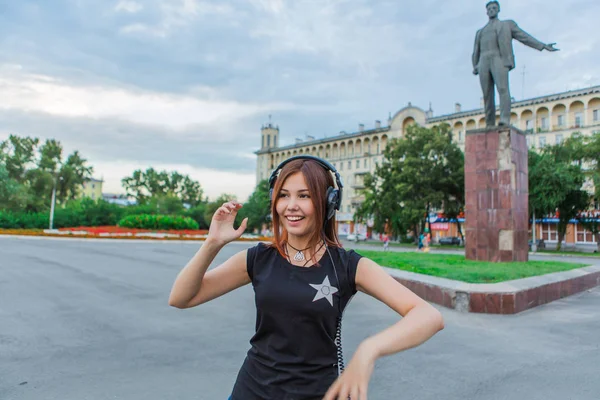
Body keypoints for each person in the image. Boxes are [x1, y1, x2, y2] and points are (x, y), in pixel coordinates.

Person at [169, 155, 445, 400]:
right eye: (283, 195)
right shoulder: (257, 258)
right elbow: (181, 298)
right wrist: (212, 243)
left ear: (328, 202)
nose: (291, 206)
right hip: (251, 391)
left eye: (304, 196)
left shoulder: (348, 265)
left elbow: (429, 316)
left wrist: (369, 349)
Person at [472, 1, 558, 126]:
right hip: (483, 61)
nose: (491, 10)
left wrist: (542, 45)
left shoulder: (507, 25)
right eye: (489, 8)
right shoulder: (480, 32)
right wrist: (475, 65)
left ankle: (504, 119)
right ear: (486, 11)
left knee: (503, 89)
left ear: (498, 10)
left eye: (494, 8)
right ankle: (489, 123)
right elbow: (475, 50)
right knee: (487, 94)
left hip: (499, 58)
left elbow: (524, 37)